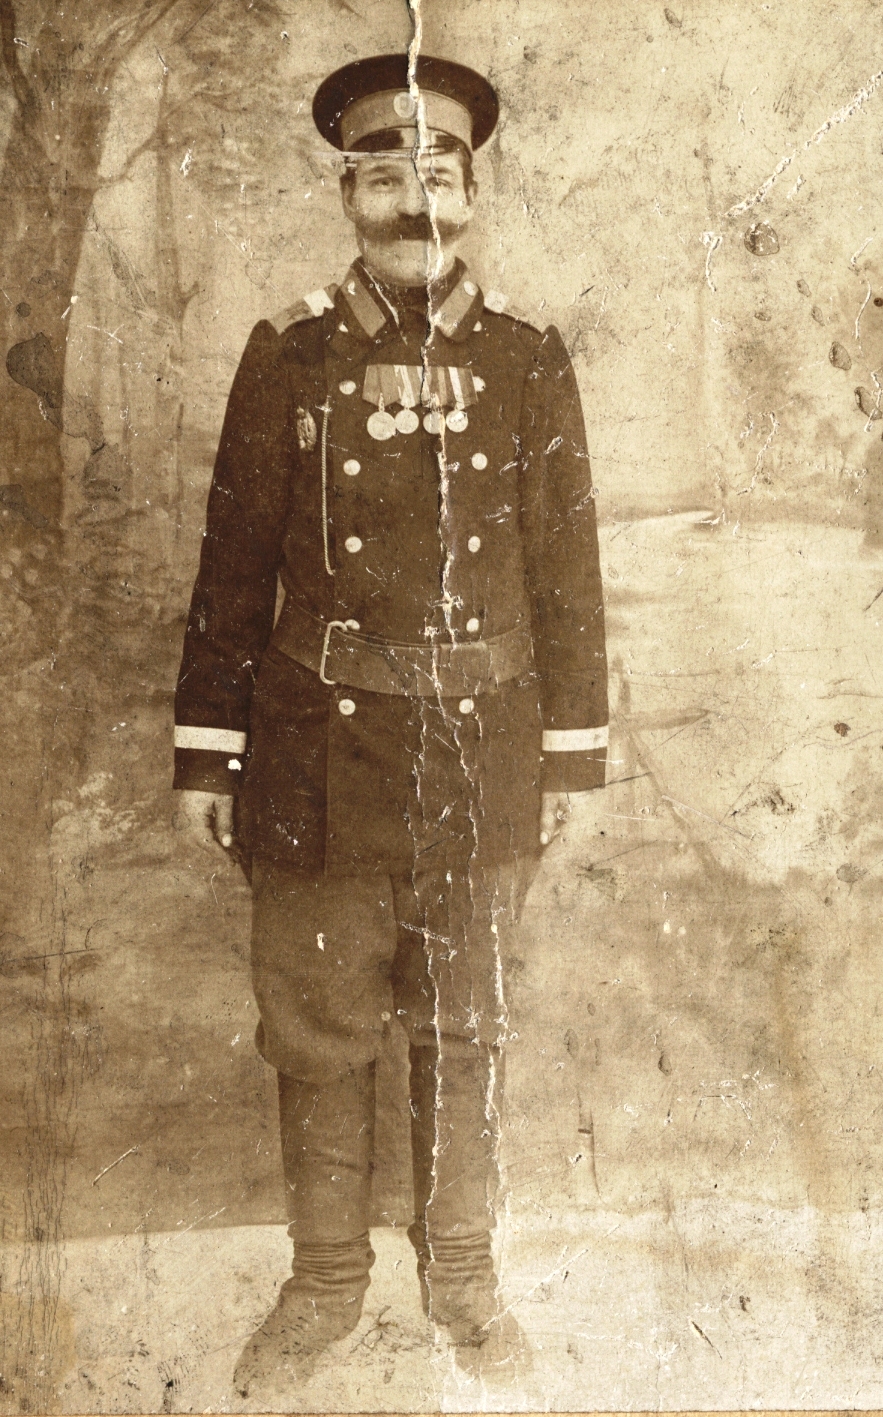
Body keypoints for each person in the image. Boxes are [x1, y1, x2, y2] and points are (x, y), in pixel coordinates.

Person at [172, 51, 608, 1392]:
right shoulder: (290, 354)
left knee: (465, 1027)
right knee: (316, 1026)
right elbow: (234, 563)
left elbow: (567, 571)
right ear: (346, 192)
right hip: (317, 751)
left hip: (482, 753)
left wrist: (573, 758)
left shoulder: (527, 359)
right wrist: (209, 750)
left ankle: (463, 1279)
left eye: (439, 173)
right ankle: (325, 1282)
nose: (416, 199)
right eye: (385, 175)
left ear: (472, 192)